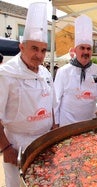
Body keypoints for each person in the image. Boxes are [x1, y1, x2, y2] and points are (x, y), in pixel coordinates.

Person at [0, 3, 56, 186]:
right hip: (17, 144)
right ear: (21, 47)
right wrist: (6, 148)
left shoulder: (45, 73)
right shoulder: (6, 74)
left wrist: (54, 131)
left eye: (43, 50)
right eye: (34, 48)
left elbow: (51, 106)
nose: (39, 55)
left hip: (44, 142)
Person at [54, 15, 97, 127]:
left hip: (91, 122)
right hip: (68, 123)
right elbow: (56, 100)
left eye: (88, 48)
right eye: (82, 48)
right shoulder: (63, 71)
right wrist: (55, 123)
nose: (86, 51)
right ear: (75, 50)